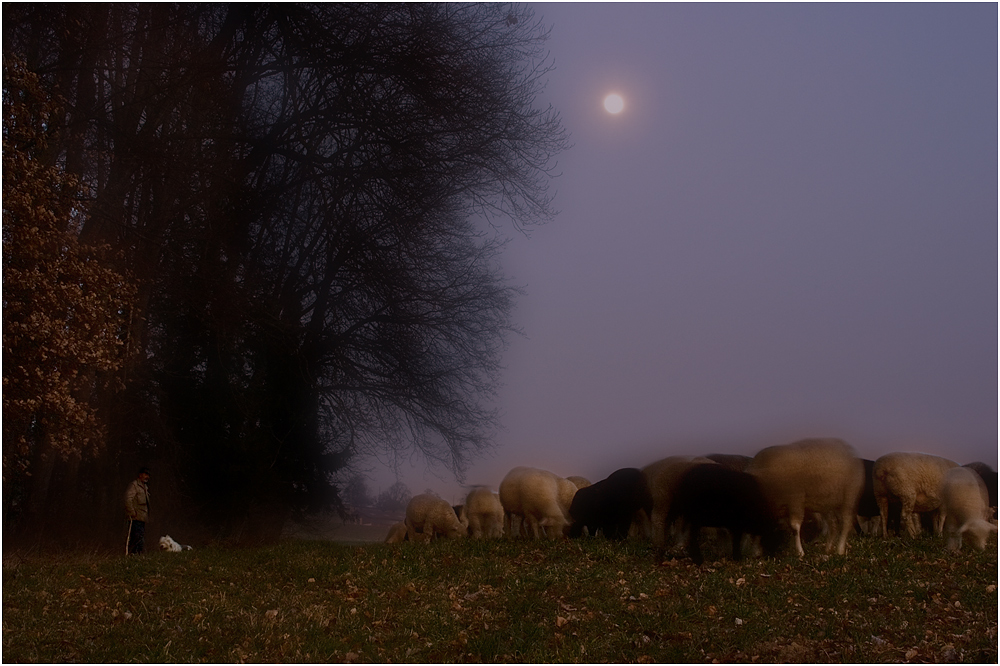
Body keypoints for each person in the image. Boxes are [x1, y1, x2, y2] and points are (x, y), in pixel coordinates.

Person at [125, 467, 151, 555]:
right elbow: (128, 499)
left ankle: (138, 557)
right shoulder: (134, 485)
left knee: (140, 540)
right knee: (135, 539)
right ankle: (132, 556)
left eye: (148, 475)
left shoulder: (145, 487)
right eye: (145, 474)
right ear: (140, 475)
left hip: (142, 518)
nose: (147, 477)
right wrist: (132, 512)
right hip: (135, 518)